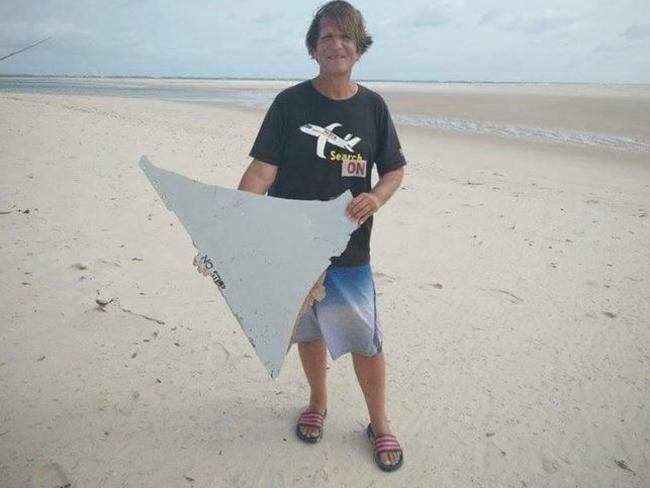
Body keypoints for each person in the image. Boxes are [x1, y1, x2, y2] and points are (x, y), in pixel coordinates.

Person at [200, 0, 405, 472]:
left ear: (359, 48)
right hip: (291, 248)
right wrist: (232, 224)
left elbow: (393, 170)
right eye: (327, 37)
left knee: (366, 341)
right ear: (314, 48)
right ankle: (318, 400)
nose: (337, 45)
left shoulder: (373, 107)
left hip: (349, 250)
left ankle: (381, 422)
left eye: (345, 37)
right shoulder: (289, 104)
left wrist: (375, 197)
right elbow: (260, 172)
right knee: (310, 330)